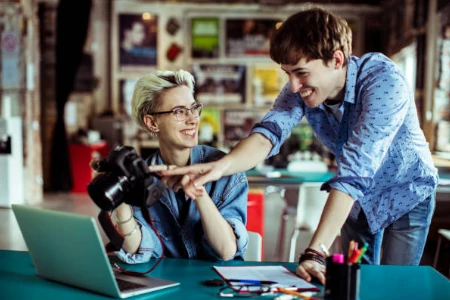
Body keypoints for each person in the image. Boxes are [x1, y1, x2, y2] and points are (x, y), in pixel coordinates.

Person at [161, 7, 439, 284]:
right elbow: (267, 134)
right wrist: (217, 168)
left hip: (405, 193)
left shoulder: (383, 81)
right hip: (357, 203)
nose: (293, 86)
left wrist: (316, 252)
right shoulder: (303, 88)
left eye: (301, 73)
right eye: (287, 74)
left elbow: (357, 168)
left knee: (394, 286)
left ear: (337, 59)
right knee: (355, 284)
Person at [98, 70, 249, 263]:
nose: (193, 119)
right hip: (168, 286)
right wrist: (120, 196)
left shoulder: (226, 169)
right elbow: (138, 249)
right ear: (152, 122)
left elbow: (226, 250)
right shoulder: (142, 177)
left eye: (194, 108)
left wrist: (198, 191)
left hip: (218, 286)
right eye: (179, 111)